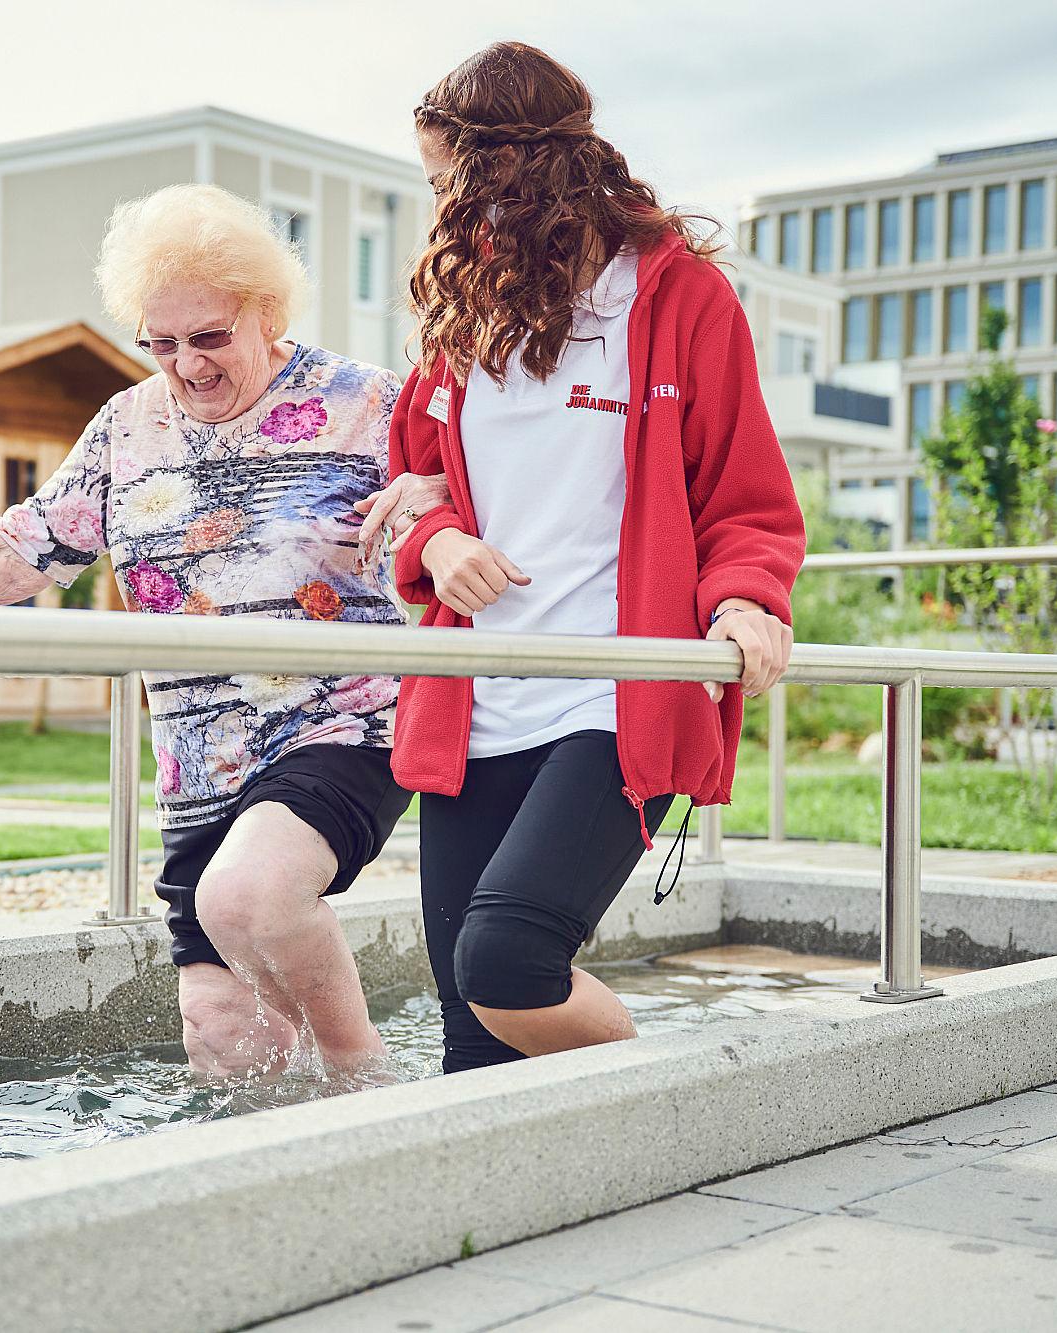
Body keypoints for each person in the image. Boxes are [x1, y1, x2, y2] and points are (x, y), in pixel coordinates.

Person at [0, 184, 411, 1080]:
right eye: (161, 344)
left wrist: (429, 499)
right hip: (199, 760)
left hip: (339, 727)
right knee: (218, 1035)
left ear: (267, 312)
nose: (187, 366)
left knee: (251, 895)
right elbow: (24, 549)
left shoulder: (366, 404)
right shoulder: (130, 423)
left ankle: (366, 1080)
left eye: (209, 337)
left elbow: (466, 506)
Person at [356, 42, 805, 1074]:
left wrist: (743, 602)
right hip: (477, 695)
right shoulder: (459, 314)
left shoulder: (677, 299)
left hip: (617, 692)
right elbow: (409, 497)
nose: (443, 212)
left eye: (447, 182)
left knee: (507, 961)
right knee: (472, 1035)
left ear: (510, 166)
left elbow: (744, 497)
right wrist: (441, 541)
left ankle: (661, 1101)